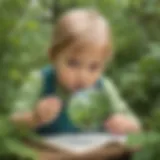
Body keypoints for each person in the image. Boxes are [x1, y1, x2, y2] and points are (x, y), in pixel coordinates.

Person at [11, 8, 141, 136]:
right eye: (73, 63)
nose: (82, 76)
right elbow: (13, 123)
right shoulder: (40, 81)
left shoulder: (104, 87)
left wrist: (125, 125)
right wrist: (35, 117)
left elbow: (135, 126)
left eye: (93, 67)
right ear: (53, 56)